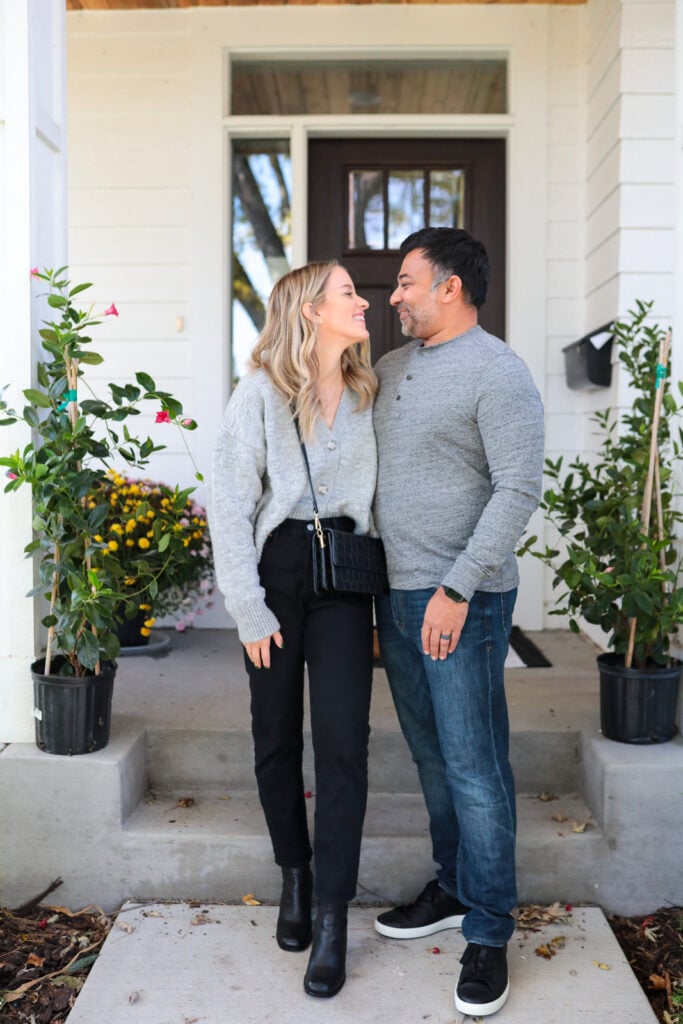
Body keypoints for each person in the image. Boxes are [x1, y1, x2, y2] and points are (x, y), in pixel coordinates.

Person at [372, 227, 545, 1017]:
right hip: (395, 593)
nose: (392, 295)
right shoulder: (389, 369)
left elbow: (516, 489)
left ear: (449, 286)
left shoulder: (498, 373)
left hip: (461, 600)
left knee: (475, 765)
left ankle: (487, 929)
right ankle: (451, 886)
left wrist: (455, 589)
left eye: (406, 282)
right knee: (432, 756)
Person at [209, 261, 377, 999]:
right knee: (274, 736)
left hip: (344, 577)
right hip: (277, 575)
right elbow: (228, 504)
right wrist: (247, 606)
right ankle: (296, 880)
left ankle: (334, 917)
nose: (362, 300)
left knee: (343, 746)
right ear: (309, 312)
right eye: (347, 292)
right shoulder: (258, 397)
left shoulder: (372, 394)